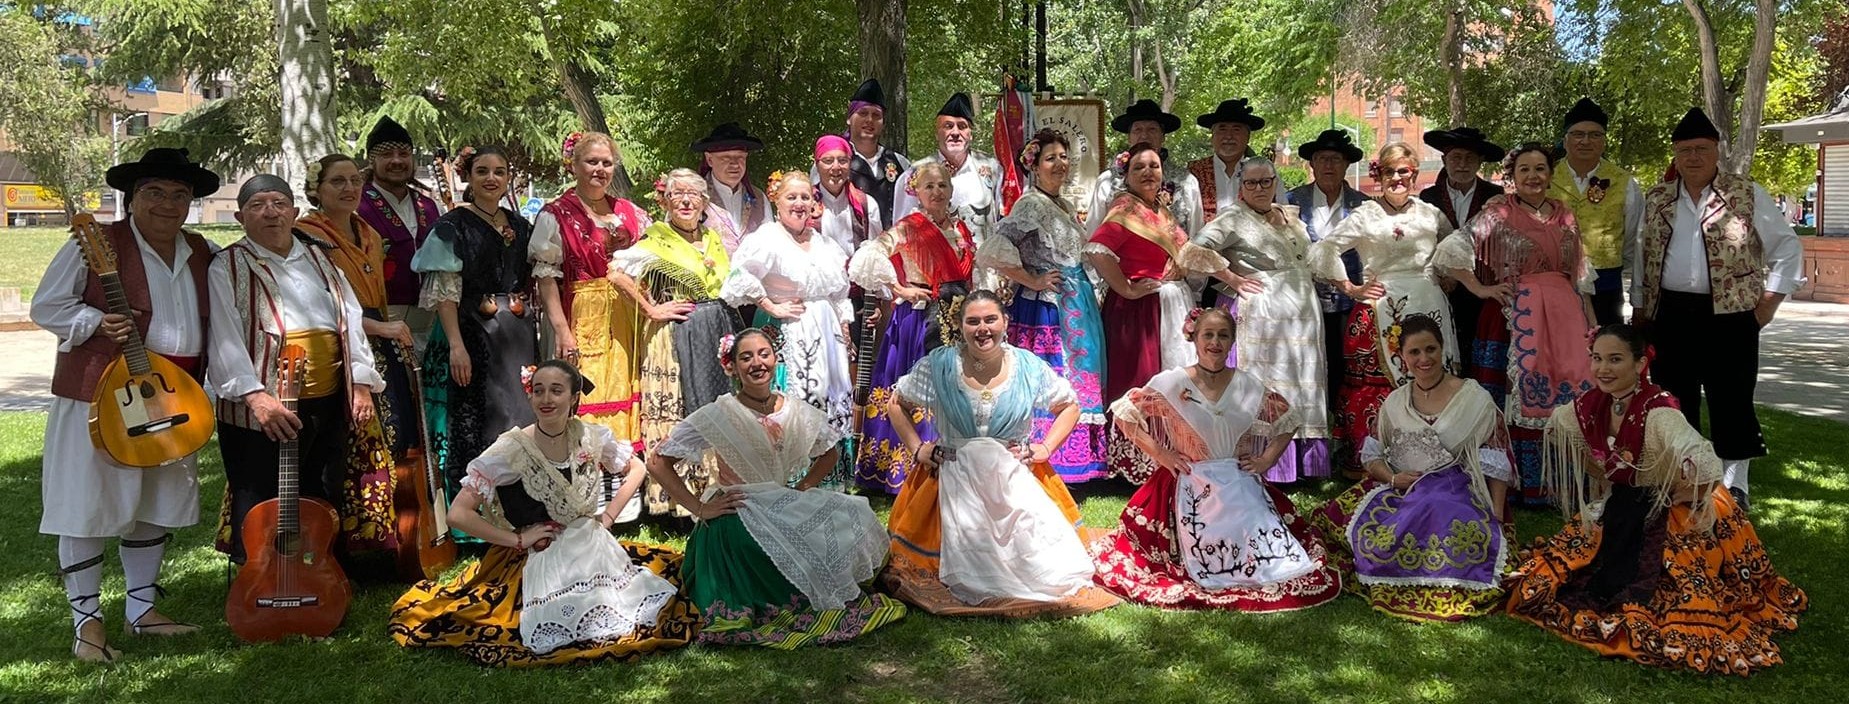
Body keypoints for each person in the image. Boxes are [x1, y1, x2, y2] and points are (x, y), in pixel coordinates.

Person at [1505, 324, 1807, 675]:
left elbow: (1704, 462)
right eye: (1597, 358)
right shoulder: (1593, 404)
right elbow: (1560, 429)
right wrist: (1605, 477)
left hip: (1678, 506)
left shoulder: (1660, 410)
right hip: (1625, 503)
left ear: (1639, 364)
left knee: (1673, 586)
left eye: (1615, 360)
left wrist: (1675, 494)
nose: (1603, 369)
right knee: (1556, 574)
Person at [33, 148, 219, 661]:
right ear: (132, 198)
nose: (167, 203)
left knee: (153, 502)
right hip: (100, 390)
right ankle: (87, 624)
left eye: (179, 194)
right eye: (154, 192)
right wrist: (95, 322)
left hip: (173, 395)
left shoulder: (201, 250)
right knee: (87, 503)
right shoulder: (98, 244)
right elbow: (47, 305)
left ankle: (142, 609)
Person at [389, 361, 697, 666]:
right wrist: (517, 539)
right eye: (538, 391)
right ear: (530, 396)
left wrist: (608, 517)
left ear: (574, 397)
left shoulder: (590, 435)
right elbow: (458, 515)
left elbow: (638, 468)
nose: (546, 399)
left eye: (556, 391)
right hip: (540, 553)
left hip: (594, 547)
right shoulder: (510, 449)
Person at [646, 330, 907, 647]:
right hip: (736, 508)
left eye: (763, 354)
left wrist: (805, 486)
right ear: (732, 367)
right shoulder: (718, 414)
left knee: (854, 516)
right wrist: (700, 508)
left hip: (781, 502)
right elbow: (657, 462)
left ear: (775, 358)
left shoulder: (795, 410)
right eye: (746, 357)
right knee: (752, 545)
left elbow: (829, 452)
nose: (757, 363)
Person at [881, 292, 1121, 617]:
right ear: (960, 326)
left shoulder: (1027, 366)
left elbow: (1070, 406)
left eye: (990, 319)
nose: (983, 329)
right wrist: (918, 448)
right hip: (951, 476)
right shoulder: (938, 365)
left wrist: (1046, 447)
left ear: (1005, 322)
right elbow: (897, 404)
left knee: (1050, 569)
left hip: (1014, 477)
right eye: (973, 321)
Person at [1092, 308, 1343, 611]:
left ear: (1232, 342)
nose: (1215, 342)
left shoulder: (1248, 385)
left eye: (1223, 335)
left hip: (1238, 482)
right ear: (1194, 339)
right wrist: (1162, 454)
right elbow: (1125, 416)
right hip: (1186, 480)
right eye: (1207, 335)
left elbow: (1288, 421)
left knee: (1270, 556)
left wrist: (1266, 460)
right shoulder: (1171, 383)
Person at [1631, 108, 1805, 513]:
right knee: (1674, 397)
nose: (1693, 157)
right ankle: (1686, 476)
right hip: (1670, 313)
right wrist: (1640, 309)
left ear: (1716, 151)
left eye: (1702, 149)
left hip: (1731, 315)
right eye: (1685, 150)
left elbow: (1786, 248)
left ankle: (1735, 484)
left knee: (1733, 397)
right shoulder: (1657, 198)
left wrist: (1769, 304)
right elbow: (1642, 255)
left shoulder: (1745, 193)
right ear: (1675, 154)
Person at [207, 175, 383, 565]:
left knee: (322, 490)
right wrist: (255, 397)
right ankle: (260, 578)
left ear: (295, 211)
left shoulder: (320, 258)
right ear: (239, 216)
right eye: (258, 205)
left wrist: (361, 384)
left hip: (326, 399)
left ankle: (317, 573)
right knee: (259, 495)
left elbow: (350, 320)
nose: (270, 212)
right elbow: (224, 337)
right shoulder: (228, 265)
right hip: (263, 406)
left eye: (279, 203)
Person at [1308, 316, 1513, 621]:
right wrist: (1392, 478)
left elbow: (1495, 459)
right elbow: (1373, 456)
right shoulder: (1394, 402)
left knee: (1439, 509)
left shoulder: (1474, 398)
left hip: (1457, 489)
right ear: (1401, 357)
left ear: (1443, 349)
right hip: (1401, 489)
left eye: (1430, 349)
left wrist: (1496, 514)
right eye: (1414, 352)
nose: (1424, 359)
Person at [1087, 143, 1261, 480]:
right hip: (1140, 310)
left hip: (1169, 304)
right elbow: (1098, 249)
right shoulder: (1125, 208)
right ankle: (1138, 462)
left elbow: (1192, 254)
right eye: (1139, 167)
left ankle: (1172, 455)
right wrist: (1125, 286)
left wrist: (1232, 278)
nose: (1149, 172)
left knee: (1173, 379)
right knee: (1142, 378)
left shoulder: (1161, 212)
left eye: (1154, 166)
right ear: (1127, 175)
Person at [1435, 143, 1595, 506]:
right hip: (1512, 319)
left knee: (1567, 393)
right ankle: (1513, 482)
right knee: (1509, 399)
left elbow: (1581, 276)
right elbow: (1451, 250)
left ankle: (1559, 482)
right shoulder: (1498, 212)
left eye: (1540, 169)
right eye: (1525, 170)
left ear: (1550, 175)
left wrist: (1592, 326)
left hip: (1565, 320)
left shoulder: (1565, 215)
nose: (1533, 176)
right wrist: (1479, 288)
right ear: (1513, 176)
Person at [410, 146, 543, 527]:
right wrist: (456, 345)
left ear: (508, 178)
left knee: (518, 415)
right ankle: (476, 520)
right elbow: (445, 293)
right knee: (476, 418)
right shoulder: (452, 226)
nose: (491, 179)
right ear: (468, 176)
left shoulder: (520, 226)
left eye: (499, 171)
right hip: (471, 332)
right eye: (482, 171)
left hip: (516, 337)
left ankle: (521, 511)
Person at [1308, 142, 1459, 473]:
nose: (1397, 178)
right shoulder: (1365, 214)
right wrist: (1350, 287)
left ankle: (1433, 456)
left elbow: (1455, 247)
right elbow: (1325, 249)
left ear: (1414, 175)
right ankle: (1377, 461)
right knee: (1378, 387)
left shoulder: (1431, 214)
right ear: (1379, 176)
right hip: (1380, 310)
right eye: (1389, 172)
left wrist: (1448, 277)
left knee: (1431, 376)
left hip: (1428, 305)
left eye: (1403, 171)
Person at [297, 154, 418, 553]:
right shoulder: (306, 235)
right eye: (337, 182)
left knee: (394, 438)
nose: (349, 189)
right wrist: (378, 328)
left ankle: (388, 534)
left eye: (354, 181)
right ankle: (345, 542)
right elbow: (323, 306)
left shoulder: (366, 231)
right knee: (347, 448)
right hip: (339, 346)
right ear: (316, 189)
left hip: (379, 340)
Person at [978, 128, 1110, 483]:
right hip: (1047, 310)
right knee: (1052, 376)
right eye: (1051, 158)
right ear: (1034, 166)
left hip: (1074, 303)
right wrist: (1033, 279)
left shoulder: (1061, 204)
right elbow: (995, 249)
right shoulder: (1031, 204)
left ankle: (1080, 461)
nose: (1060, 164)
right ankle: (1048, 457)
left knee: (1079, 375)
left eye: (1064, 157)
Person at [1193, 157, 1333, 482]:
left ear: (1275, 182)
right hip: (1264, 312)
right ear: (1241, 187)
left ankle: (1306, 464)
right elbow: (1194, 250)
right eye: (1252, 183)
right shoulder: (1234, 218)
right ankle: (1267, 461)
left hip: (1302, 314)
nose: (1260, 188)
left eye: (1266, 181)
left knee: (1302, 384)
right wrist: (1233, 278)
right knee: (1270, 382)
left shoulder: (1289, 217)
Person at [611, 168, 738, 515]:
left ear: (704, 202)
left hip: (714, 329)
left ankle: (715, 489)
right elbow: (616, 272)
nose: (685, 200)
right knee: (681, 410)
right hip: (676, 335)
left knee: (715, 407)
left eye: (693, 194)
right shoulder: (656, 238)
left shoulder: (713, 238)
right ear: (666, 200)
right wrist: (651, 308)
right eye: (677, 193)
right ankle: (677, 502)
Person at [723, 170, 856, 488]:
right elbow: (739, 276)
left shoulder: (825, 243)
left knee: (829, 395)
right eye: (791, 197)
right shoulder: (767, 238)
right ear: (777, 200)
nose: (799, 204)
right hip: (788, 330)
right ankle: (790, 477)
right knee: (793, 400)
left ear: (814, 202)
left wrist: (844, 326)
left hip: (827, 334)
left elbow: (839, 292)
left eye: (805, 197)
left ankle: (830, 475)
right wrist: (771, 306)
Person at [852, 161, 976, 493]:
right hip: (918, 321)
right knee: (912, 388)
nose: (937, 192)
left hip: (955, 315)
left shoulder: (961, 228)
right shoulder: (908, 227)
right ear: (916, 192)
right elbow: (869, 257)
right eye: (929, 186)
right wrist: (900, 289)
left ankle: (950, 459)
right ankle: (903, 466)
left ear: (951, 189)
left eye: (942, 185)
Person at [532, 132, 653, 445]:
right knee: (590, 389)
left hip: (629, 315)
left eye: (607, 163)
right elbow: (547, 278)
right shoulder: (556, 214)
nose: (600, 169)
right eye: (591, 161)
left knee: (630, 386)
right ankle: (590, 466)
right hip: (583, 317)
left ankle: (627, 467)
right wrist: (562, 331)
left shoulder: (630, 212)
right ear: (574, 165)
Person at [1284, 129, 1370, 470]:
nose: (1329, 165)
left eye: (1336, 159)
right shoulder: (1291, 202)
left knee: (1346, 374)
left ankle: (1346, 445)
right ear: (1312, 165)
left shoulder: (1364, 205)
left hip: (1350, 304)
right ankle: (1310, 450)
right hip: (1306, 305)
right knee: (1309, 373)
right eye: (1322, 159)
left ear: (1347, 164)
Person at [1419, 126, 1506, 376]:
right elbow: (1425, 242)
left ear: (1480, 161)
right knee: (1443, 348)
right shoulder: (1428, 196)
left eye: (1470, 158)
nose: (1462, 164)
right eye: (1456, 157)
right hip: (1442, 288)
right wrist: (1443, 274)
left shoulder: (1495, 195)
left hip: (1481, 289)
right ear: (1444, 160)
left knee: (1480, 353)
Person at [1549, 98, 1642, 326]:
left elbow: (1633, 238)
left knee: (1605, 352)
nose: (1586, 141)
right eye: (1578, 134)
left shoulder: (1624, 182)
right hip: (1553, 284)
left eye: (1595, 135)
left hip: (1606, 286)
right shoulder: (1545, 177)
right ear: (1566, 139)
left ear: (1604, 142)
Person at [356, 116, 443, 344]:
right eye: (386, 155)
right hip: (380, 321)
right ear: (372, 161)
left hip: (431, 319)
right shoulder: (357, 205)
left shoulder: (429, 206)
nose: (396, 161)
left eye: (403, 154)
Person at [891, 93, 1004, 260]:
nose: (955, 132)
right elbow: (901, 231)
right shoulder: (916, 173)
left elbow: (1002, 222)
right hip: (937, 273)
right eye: (948, 126)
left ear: (970, 134)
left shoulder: (991, 168)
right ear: (937, 134)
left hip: (984, 272)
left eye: (962, 126)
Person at [1085, 99, 1205, 236]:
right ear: (1129, 138)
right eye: (1137, 130)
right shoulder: (1107, 181)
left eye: (1152, 129)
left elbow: (1197, 234)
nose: (1144, 135)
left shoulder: (1185, 181)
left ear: (1163, 136)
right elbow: (1093, 233)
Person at [841, 78, 909, 229]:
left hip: (893, 248)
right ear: (849, 118)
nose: (869, 120)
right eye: (863, 113)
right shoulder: (834, 162)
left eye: (876, 115)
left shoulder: (900, 163)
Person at [692, 122, 770, 251]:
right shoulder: (692, 196)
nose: (734, 164)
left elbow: (770, 244)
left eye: (740, 158)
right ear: (709, 160)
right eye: (726, 158)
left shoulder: (758, 198)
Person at [1188, 98, 1266, 222]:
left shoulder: (1264, 173)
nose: (1229, 136)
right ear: (1212, 136)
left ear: (1248, 137)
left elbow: (1282, 214)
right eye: (1222, 129)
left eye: (1236, 129)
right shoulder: (1193, 172)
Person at [812, 134, 882, 258]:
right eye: (828, 161)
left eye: (843, 161)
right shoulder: (805, 204)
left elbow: (876, 254)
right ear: (817, 165)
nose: (836, 167)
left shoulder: (866, 204)